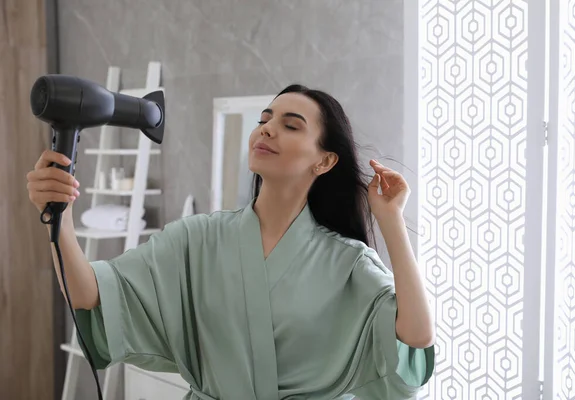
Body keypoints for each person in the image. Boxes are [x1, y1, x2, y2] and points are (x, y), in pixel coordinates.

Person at [27, 84, 435, 399]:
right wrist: (55, 218)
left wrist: (391, 220)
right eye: (265, 118)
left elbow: (415, 337)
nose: (268, 128)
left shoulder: (347, 263)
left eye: (291, 125)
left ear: (325, 160)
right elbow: (88, 293)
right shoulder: (195, 239)